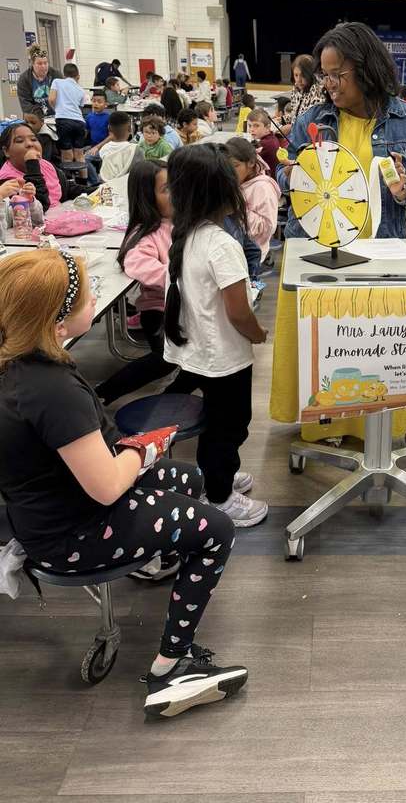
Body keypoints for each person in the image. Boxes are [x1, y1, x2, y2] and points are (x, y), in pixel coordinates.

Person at [0, 249, 248, 717]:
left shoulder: (22, 365)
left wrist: (136, 453)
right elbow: (109, 488)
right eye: (89, 294)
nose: (97, 298)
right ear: (56, 322)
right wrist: (141, 449)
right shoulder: (51, 391)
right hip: (72, 532)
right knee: (217, 530)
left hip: (55, 501)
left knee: (189, 477)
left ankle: (157, 555)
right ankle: (171, 667)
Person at [271, 21, 406, 449]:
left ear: (365, 70)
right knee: (330, 347)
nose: (328, 85)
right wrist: (293, 171)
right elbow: (283, 171)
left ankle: (398, 421)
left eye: (336, 75)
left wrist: (405, 190)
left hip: (380, 248)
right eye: (323, 75)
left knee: (381, 342)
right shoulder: (313, 118)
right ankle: (331, 422)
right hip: (320, 249)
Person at [163, 144, 268, 527]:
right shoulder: (222, 245)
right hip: (225, 359)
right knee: (230, 425)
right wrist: (257, 334)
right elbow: (238, 311)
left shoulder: (185, 235)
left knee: (217, 423)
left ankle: (215, 474)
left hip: (199, 352)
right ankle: (220, 495)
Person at [96, 160, 202, 406]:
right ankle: (102, 395)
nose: (176, 193)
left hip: (188, 308)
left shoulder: (182, 222)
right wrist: (188, 278)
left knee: (198, 365)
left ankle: (168, 402)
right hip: (161, 311)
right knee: (167, 358)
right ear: (146, 197)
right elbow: (136, 263)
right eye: (166, 189)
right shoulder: (146, 233)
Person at [224, 137, 281, 261]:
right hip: (233, 246)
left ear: (250, 163)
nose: (230, 172)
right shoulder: (240, 180)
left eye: (235, 166)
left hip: (251, 254)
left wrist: (236, 208)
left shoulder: (263, 188)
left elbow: (267, 228)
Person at [0, 121, 61, 211]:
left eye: (33, 139)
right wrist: (32, 164)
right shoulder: (7, 182)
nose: (30, 144)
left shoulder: (45, 164)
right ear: (6, 151)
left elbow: (66, 187)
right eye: (20, 141)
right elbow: (41, 207)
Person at [49, 63, 87, 170]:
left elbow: (51, 99)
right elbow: (80, 108)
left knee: (67, 156)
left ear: (64, 75)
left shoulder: (57, 82)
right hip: (79, 122)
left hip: (64, 121)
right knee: (80, 155)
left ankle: (69, 182)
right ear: (78, 76)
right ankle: (83, 182)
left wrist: (57, 110)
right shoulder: (81, 90)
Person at [283, 53, 326, 135]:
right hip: (296, 135)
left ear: (311, 75)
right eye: (296, 75)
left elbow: (312, 123)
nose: (298, 80)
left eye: (303, 75)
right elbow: (295, 114)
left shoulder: (318, 92)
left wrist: (291, 128)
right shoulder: (296, 89)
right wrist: (282, 120)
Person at [17, 46, 61, 116]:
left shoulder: (56, 75)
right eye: (39, 63)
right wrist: (40, 116)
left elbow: (63, 96)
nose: (43, 66)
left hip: (56, 114)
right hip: (35, 116)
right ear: (32, 64)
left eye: (45, 63)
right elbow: (26, 104)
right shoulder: (24, 79)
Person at [247, 109, 280, 173]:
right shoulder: (271, 138)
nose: (251, 129)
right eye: (250, 126)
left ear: (267, 127)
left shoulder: (265, 144)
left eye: (256, 126)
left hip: (267, 180)